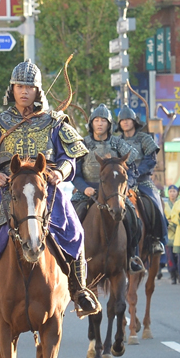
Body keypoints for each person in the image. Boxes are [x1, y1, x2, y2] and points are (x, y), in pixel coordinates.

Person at [0, 60, 99, 319]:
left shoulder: (54, 122)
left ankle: (80, 290)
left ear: (38, 92)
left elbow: (70, 158)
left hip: (47, 191)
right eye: (19, 86)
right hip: (9, 193)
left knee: (76, 230)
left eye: (30, 87)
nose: (24, 91)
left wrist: (60, 172)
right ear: (11, 89)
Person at [71, 104, 144, 273]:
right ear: (91, 123)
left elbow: (131, 162)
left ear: (109, 124)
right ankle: (70, 257)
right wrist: (84, 189)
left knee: (133, 216)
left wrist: (124, 187)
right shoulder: (83, 144)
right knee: (70, 216)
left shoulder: (118, 143)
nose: (100, 123)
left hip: (114, 192)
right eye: (96, 120)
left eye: (103, 120)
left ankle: (131, 256)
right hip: (88, 191)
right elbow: (75, 173)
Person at [114, 106, 168, 254]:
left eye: (128, 119)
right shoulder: (116, 141)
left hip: (142, 180)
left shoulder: (145, 138)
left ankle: (157, 239)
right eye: (122, 120)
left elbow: (150, 160)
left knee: (155, 203)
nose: (125, 122)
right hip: (121, 182)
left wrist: (136, 173)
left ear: (134, 121)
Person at [164, 185, 180, 283]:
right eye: (170, 191)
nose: (172, 193)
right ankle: (172, 275)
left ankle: (179, 273)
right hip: (169, 232)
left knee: (178, 255)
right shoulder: (165, 205)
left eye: (174, 191)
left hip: (178, 231)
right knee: (170, 256)